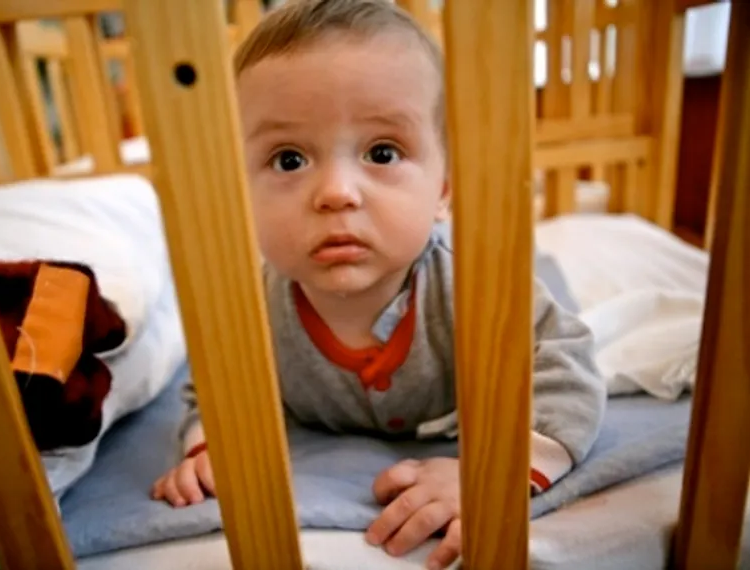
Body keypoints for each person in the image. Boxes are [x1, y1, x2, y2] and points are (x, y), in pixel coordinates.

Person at [152, 1, 606, 568]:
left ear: (444, 189)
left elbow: (570, 368)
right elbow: (211, 388)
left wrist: (497, 473)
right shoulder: (252, 306)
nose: (336, 192)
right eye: (288, 160)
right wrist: (209, 448)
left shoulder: (477, 288)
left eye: (382, 152)